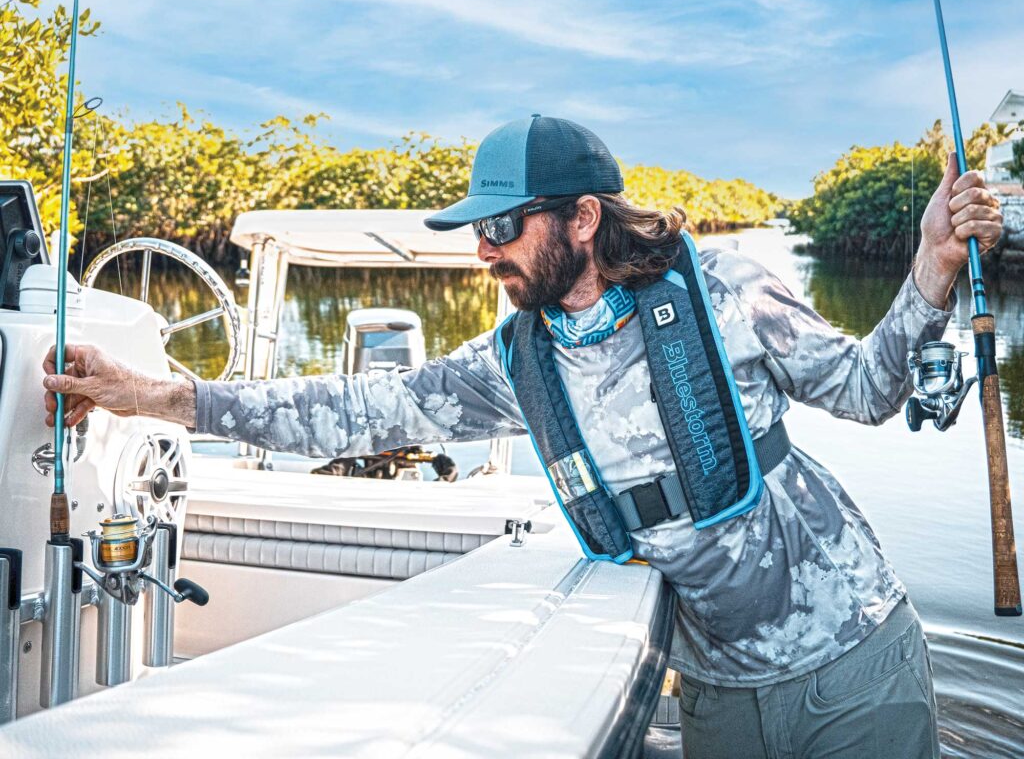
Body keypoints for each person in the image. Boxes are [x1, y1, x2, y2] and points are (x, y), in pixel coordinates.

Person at [43, 116, 1002, 759]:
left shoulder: (724, 289)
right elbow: (344, 412)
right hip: (714, 693)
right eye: (475, 229)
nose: (482, 249)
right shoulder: (512, 362)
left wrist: (930, 261)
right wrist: (144, 392)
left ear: (583, 218)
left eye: (502, 224)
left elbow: (872, 390)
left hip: (853, 660)